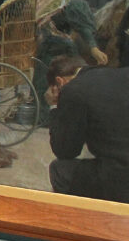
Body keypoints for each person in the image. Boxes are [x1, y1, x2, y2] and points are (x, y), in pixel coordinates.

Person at [44, 55, 129, 202]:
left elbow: (65, 150)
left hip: (121, 178)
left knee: (59, 170)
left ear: (59, 81)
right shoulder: (123, 74)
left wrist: (54, 107)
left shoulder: (73, 90)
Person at [34, 0, 106, 125]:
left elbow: (83, 27)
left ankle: (60, 121)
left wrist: (93, 48)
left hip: (62, 51)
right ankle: (44, 119)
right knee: (40, 84)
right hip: (45, 49)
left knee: (61, 87)